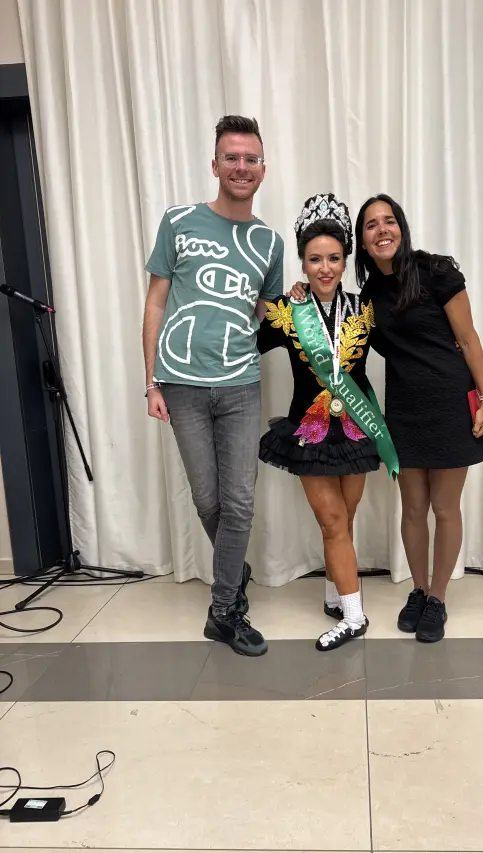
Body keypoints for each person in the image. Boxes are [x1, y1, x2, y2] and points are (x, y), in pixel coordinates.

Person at [291, 194, 483, 644]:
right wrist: (302, 294)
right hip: (403, 409)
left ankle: (438, 597)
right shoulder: (369, 298)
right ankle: (418, 590)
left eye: (389, 221)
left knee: (445, 508)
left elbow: (468, 338)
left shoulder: (437, 271)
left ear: (401, 226)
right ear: (361, 241)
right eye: (371, 225)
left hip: (449, 404)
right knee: (413, 508)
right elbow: (334, 330)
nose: (382, 230)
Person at [142, 115, 284, 658]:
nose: (241, 167)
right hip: (181, 384)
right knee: (208, 501)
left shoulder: (269, 242)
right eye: (232, 157)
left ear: (263, 169)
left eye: (251, 159)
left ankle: (224, 611)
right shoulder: (178, 222)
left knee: (239, 501)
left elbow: (263, 311)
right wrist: (151, 380)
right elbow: (156, 301)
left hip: (241, 384)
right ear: (215, 164)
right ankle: (234, 572)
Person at [258, 193, 399, 651]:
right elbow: (246, 343)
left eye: (334, 258)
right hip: (310, 431)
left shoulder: (363, 309)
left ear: (345, 261)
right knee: (334, 520)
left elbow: (403, 346)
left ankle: (334, 595)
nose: (325, 268)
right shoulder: (288, 310)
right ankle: (355, 617)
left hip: (355, 429)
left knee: (343, 520)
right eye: (315, 259)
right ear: (302, 263)